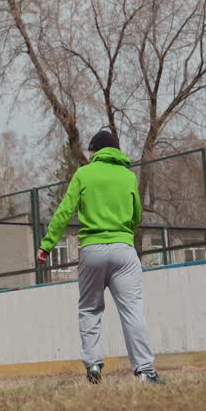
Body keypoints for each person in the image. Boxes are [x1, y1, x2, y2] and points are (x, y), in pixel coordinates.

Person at [38, 128, 164, 385]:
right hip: (124, 250)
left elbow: (64, 212)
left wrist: (47, 245)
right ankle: (145, 370)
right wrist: (122, 232)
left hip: (93, 250)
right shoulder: (128, 176)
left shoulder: (84, 174)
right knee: (132, 311)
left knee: (90, 308)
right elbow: (136, 214)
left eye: (90, 151)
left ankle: (94, 365)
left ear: (95, 151)